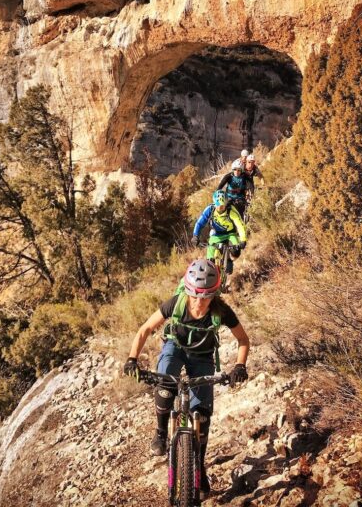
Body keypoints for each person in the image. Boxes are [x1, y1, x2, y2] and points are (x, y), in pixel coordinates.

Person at [124, 259, 250, 500]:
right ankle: (161, 432)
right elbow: (145, 330)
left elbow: (243, 339)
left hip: (202, 356)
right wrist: (132, 359)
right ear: (187, 290)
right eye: (194, 295)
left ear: (214, 294)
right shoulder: (177, 303)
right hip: (176, 347)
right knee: (165, 387)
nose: (198, 302)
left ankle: (198, 465)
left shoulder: (222, 311)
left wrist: (240, 365)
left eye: (205, 297)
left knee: (201, 414)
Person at [191, 190, 247, 289]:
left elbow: (240, 224)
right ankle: (211, 282)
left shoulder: (231, 210)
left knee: (236, 251)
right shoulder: (210, 209)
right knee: (210, 261)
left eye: (223, 205)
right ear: (215, 203)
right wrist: (195, 236)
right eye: (218, 205)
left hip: (230, 234)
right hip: (216, 235)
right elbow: (200, 223)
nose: (220, 207)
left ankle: (229, 260)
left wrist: (243, 239)